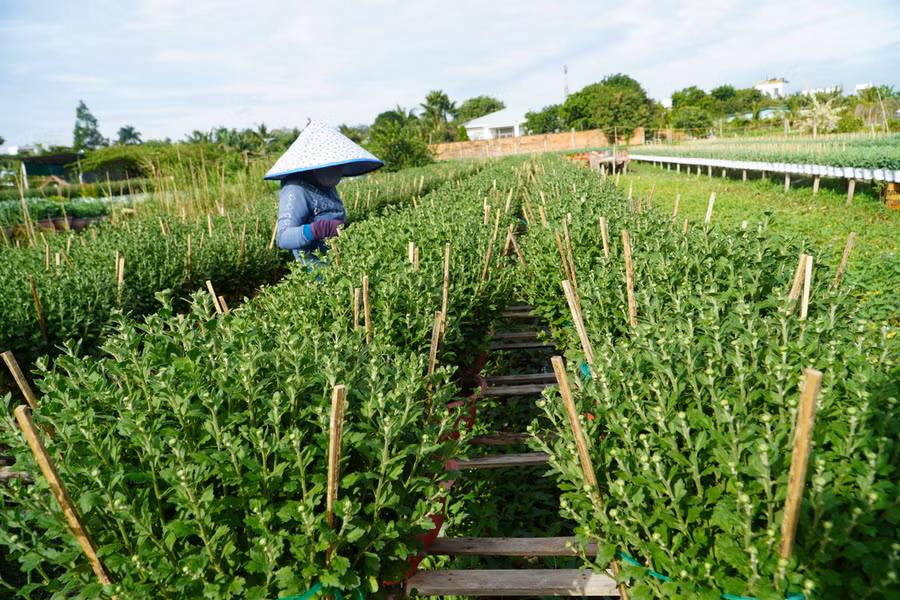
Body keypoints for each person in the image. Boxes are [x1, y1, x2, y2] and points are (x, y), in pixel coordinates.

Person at [264, 119, 383, 263]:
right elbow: (283, 238)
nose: (336, 170)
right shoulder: (295, 189)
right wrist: (319, 229)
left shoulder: (325, 185)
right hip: (315, 275)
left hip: (338, 265)